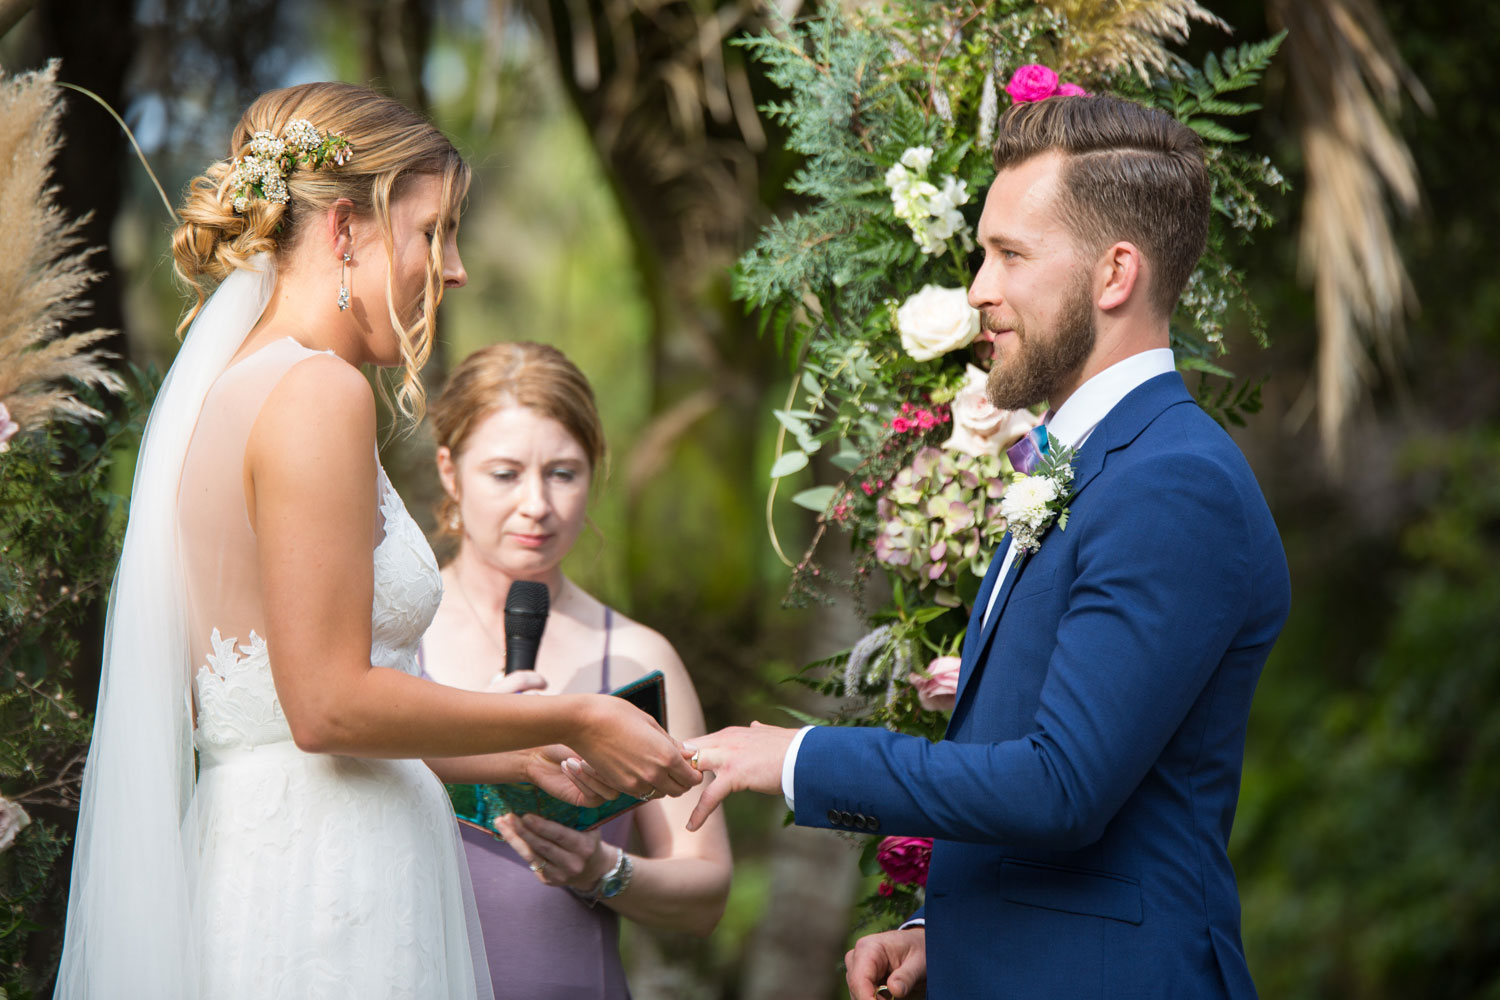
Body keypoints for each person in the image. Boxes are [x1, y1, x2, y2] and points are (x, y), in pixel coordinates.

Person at [54, 82, 699, 1000]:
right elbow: (327, 709)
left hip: (270, 848)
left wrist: (512, 759)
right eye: (434, 231)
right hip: (329, 881)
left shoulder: (227, 390)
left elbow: (281, 710)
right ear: (347, 228)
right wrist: (572, 714)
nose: (457, 268)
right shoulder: (319, 392)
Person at [686, 94, 1292, 999]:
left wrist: (800, 759)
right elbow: (1032, 746)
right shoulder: (1080, 462)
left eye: (1009, 254)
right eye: (980, 252)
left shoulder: (1174, 481)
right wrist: (946, 927)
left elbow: (1061, 786)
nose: (978, 288)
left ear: (1114, 272)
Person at [418, 342, 732, 998]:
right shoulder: (392, 638)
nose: (537, 503)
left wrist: (603, 870)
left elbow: (705, 890)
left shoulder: (642, 656)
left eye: (563, 473)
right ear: (450, 472)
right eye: (505, 474)